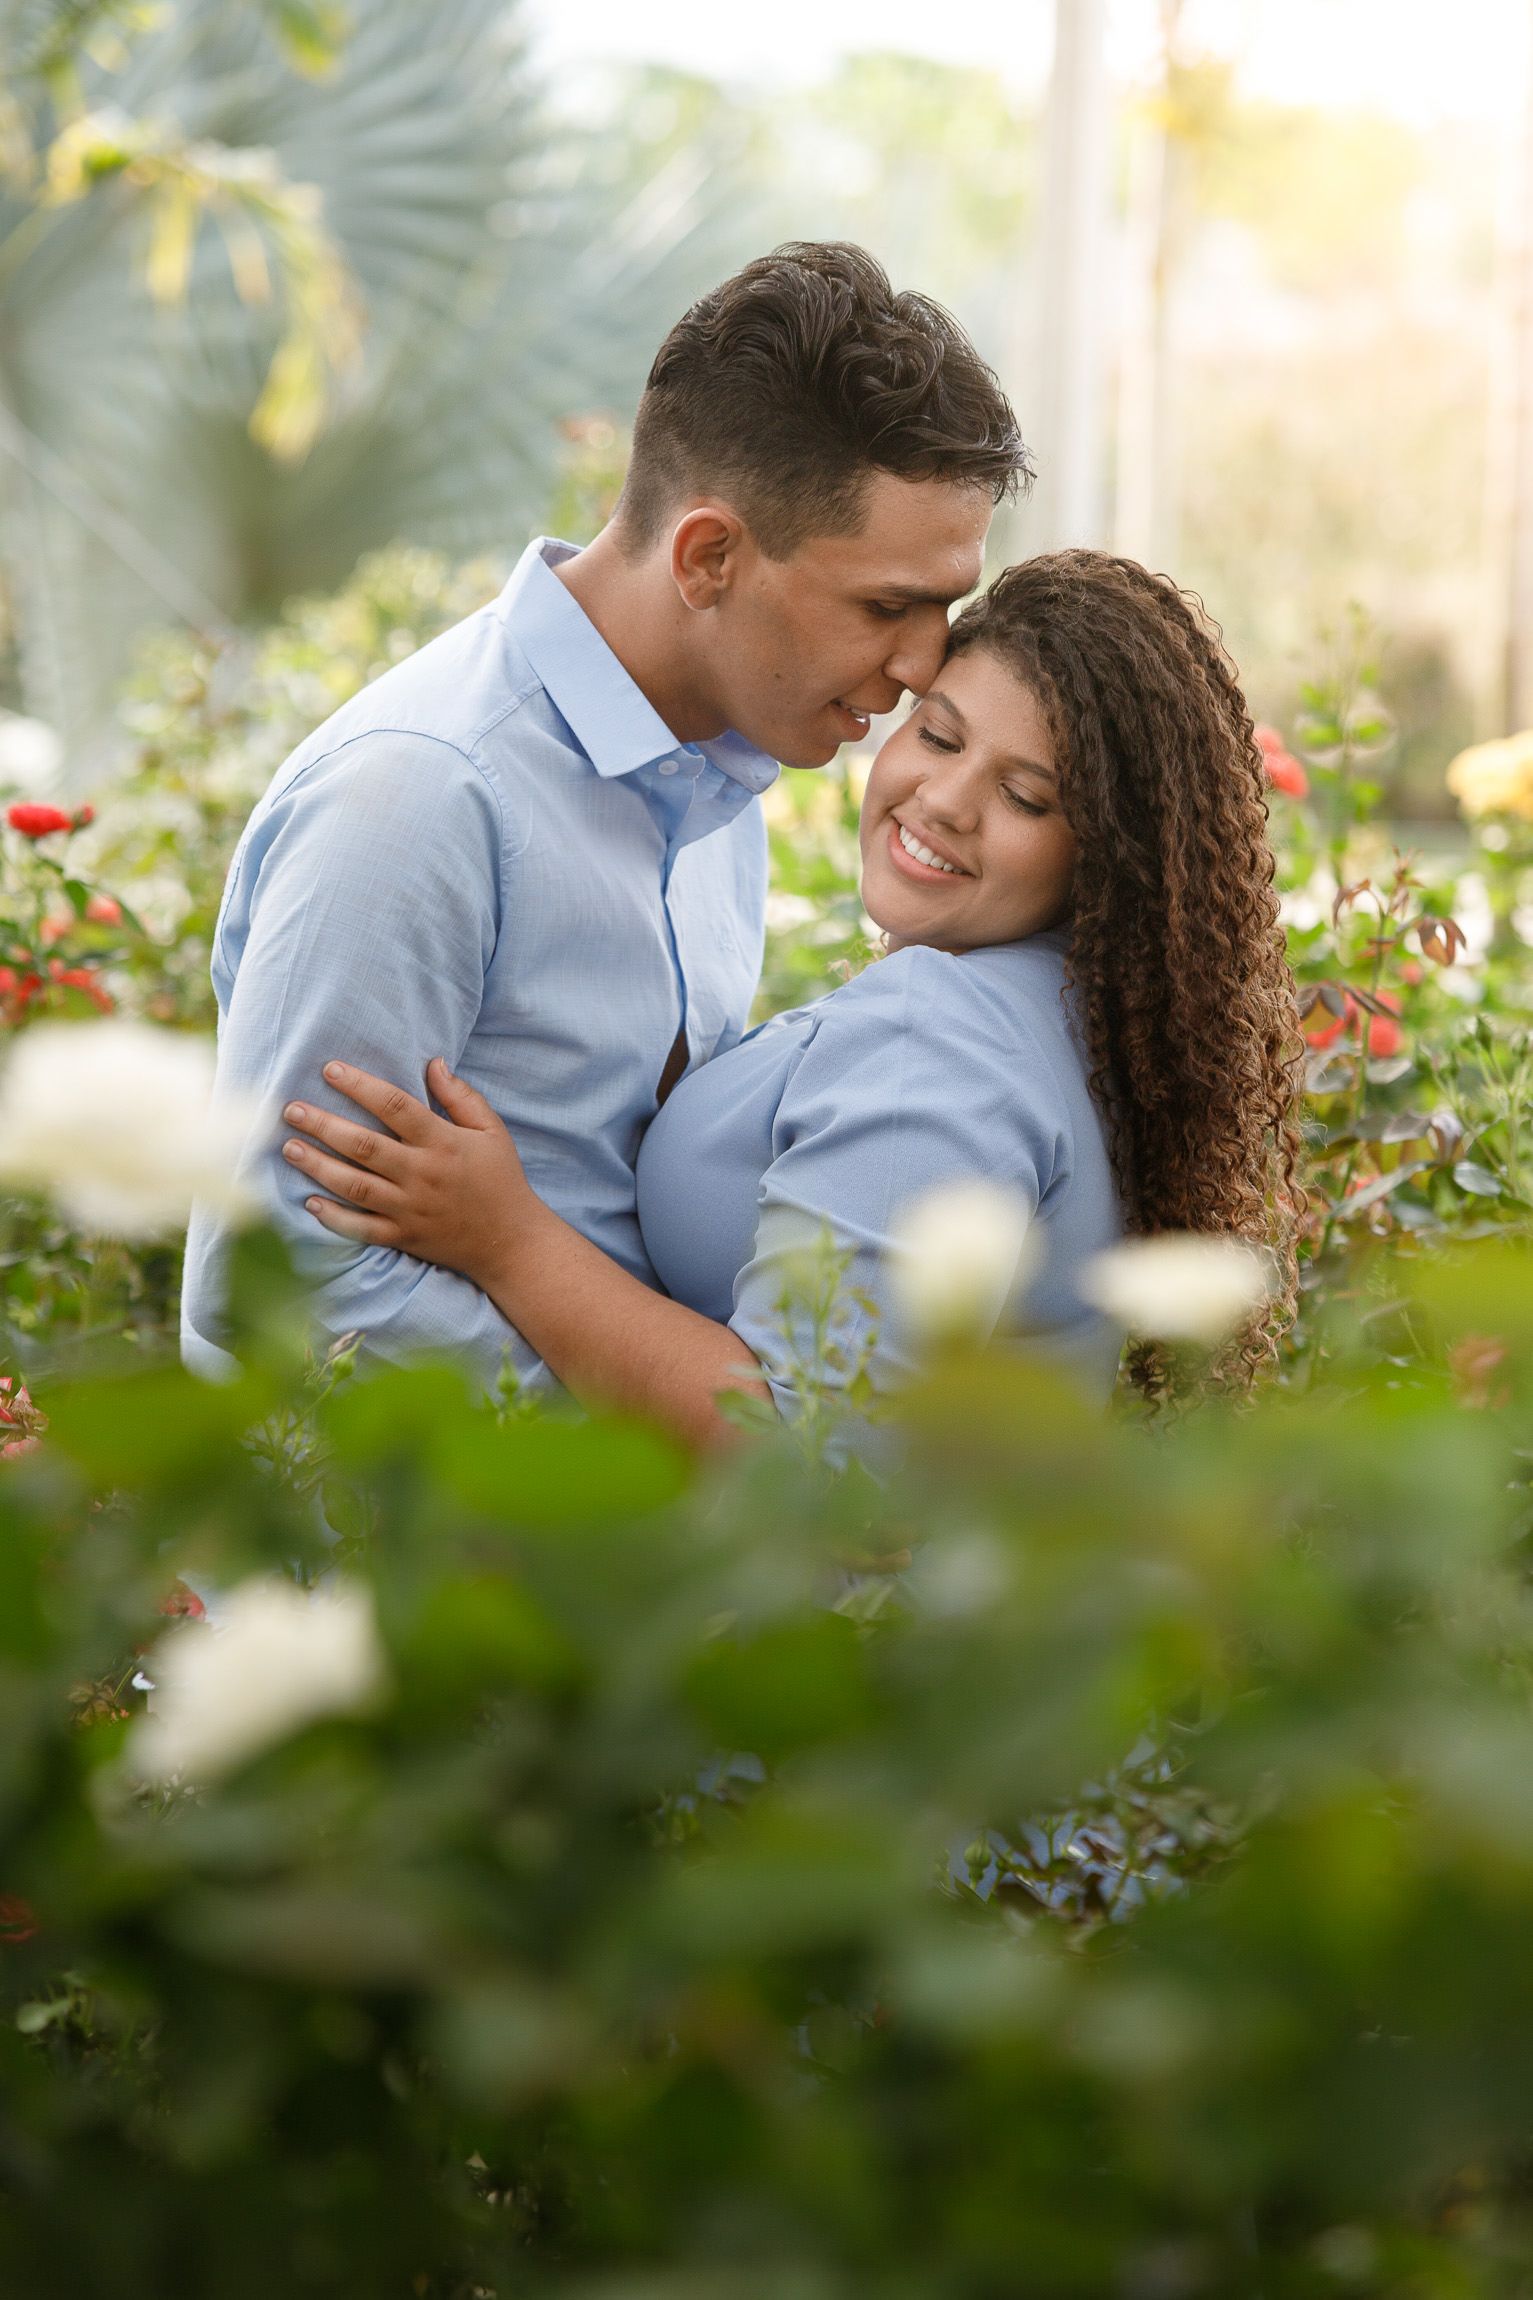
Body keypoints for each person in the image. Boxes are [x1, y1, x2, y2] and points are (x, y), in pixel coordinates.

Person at [180, 242, 1029, 1381]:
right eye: (888, 605)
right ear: (710, 556)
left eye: (945, 607)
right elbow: (275, 1287)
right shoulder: (421, 798)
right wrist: (672, 1459)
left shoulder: (720, 778)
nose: (927, 665)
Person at [279, 552, 1304, 1445]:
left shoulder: (940, 1035)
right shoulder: (1068, 1010)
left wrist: (509, 1240)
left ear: (1106, 858)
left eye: (1027, 795)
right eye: (940, 738)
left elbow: (809, 1452)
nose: (944, 800)